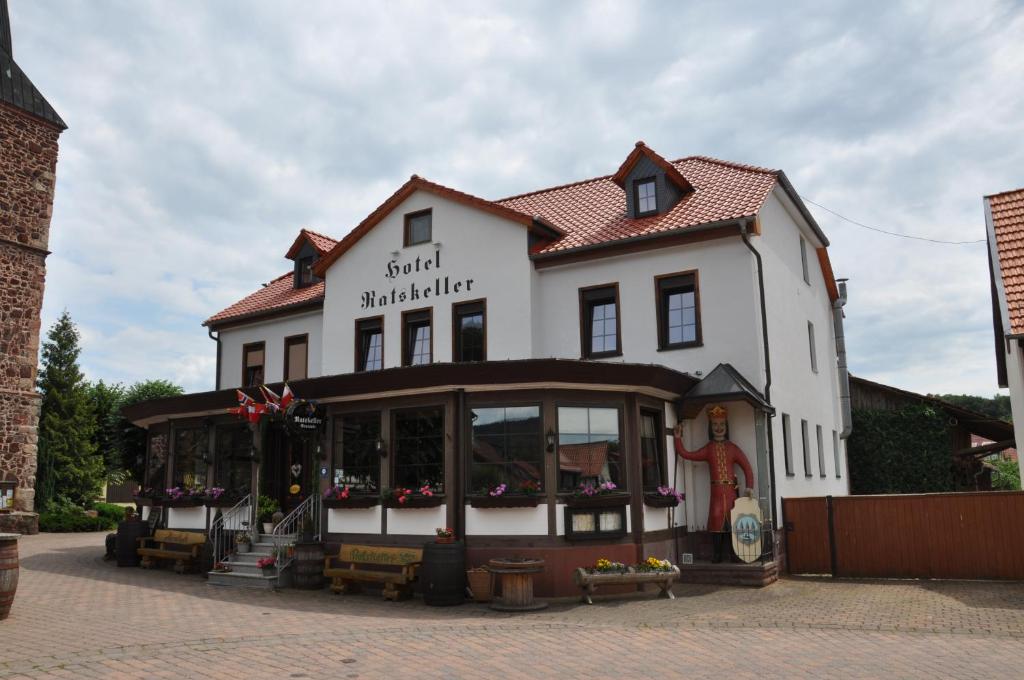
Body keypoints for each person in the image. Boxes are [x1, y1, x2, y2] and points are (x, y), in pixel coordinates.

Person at [673, 404, 754, 563]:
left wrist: (749, 486)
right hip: (716, 492)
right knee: (716, 521)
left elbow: (747, 468)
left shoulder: (732, 448)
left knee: (733, 521)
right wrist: (677, 438)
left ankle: (733, 554)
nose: (719, 428)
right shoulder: (709, 448)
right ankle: (716, 555)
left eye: (722, 424)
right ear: (711, 427)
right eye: (715, 425)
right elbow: (686, 454)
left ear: (726, 426)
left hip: (731, 491)